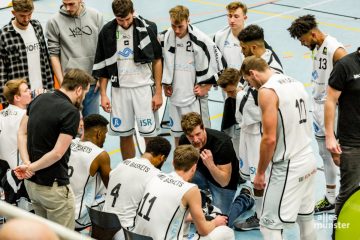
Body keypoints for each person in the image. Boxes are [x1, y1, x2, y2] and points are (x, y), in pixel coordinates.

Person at [241, 56, 317, 240]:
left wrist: (259, 173)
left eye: (248, 81)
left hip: (288, 166)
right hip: (308, 158)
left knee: (268, 225)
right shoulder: (295, 83)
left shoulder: (267, 91)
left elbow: (269, 139)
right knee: (306, 219)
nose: (251, 86)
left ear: (253, 73)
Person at [14, 68, 91, 229]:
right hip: (53, 188)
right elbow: (57, 153)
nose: (83, 97)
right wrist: (31, 167)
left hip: (32, 185)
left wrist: (27, 164)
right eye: (84, 93)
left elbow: (22, 132)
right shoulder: (71, 112)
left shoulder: (39, 99)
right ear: (78, 89)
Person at [288, 14, 347, 214]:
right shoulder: (316, 46)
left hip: (333, 110)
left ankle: (349, 195)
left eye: (303, 40)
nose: (303, 44)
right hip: (317, 108)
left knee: (341, 156)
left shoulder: (336, 50)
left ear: (313, 34)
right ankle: (331, 198)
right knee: (325, 155)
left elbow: (351, 80)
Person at [93, 0, 163, 161]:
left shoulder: (148, 27)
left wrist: (158, 91)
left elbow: (157, 60)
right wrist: (104, 94)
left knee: (150, 134)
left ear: (133, 12)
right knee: (124, 134)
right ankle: (129, 168)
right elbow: (103, 66)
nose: (125, 23)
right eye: (120, 20)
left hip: (143, 88)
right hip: (120, 90)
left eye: (128, 19)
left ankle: (151, 170)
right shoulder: (107, 31)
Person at [234, 24, 283, 230]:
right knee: (251, 173)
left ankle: (262, 215)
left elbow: (263, 103)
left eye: (243, 47)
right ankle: (260, 210)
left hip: (259, 130)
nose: (241, 51)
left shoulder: (273, 69)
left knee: (260, 175)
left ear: (253, 48)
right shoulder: (256, 62)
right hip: (248, 128)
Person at [133, 144, 235, 240]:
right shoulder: (190, 189)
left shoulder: (156, 177)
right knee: (226, 232)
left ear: (173, 163)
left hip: (134, 237)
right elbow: (203, 230)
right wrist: (215, 222)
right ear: (194, 167)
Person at [159, 5, 225, 146]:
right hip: (175, 97)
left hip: (195, 99)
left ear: (188, 21)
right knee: (178, 137)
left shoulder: (201, 40)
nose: (176, 30)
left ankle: (202, 167)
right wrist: (165, 83)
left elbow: (220, 63)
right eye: (173, 26)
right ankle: (181, 166)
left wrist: (207, 86)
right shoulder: (165, 37)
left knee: (200, 137)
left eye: (180, 26)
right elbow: (159, 62)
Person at [103, 136, 171, 236]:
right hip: (125, 231)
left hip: (102, 224)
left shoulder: (124, 162)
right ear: (162, 158)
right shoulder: (155, 174)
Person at [46, 0, 103, 117]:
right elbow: (54, 55)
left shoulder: (96, 16)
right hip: (70, 86)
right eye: (65, 3)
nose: (67, 8)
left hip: (92, 83)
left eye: (71, 4)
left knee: (92, 125)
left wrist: (101, 75)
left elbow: (103, 48)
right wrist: (63, 84)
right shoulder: (54, 21)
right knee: (71, 126)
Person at [325, 47, 360, 235]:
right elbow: (330, 100)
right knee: (349, 192)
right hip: (352, 142)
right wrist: (330, 137)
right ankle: (339, 233)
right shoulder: (345, 65)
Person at [179, 112, 239, 215]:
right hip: (202, 174)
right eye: (191, 136)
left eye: (198, 134)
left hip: (223, 183)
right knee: (182, 181)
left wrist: (210, 164)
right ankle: (202, 197)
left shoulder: (222, 143)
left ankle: (244, 199)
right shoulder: (184, 140)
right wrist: (194, 155)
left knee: (221, 218)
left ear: (203, 128)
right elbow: (180, 171)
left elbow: (224, 181)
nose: (195, 140)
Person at [0, 0, 53, 110]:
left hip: (42, 94)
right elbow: (1, 71)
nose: (27, 19)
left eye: (29, 14)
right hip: (20, 100)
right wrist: (5, 101)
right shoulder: (4, 34)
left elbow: (45, 61)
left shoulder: (37, 27)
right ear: (13, 13)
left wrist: (50, 89)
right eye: (22, 15)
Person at [213, 1, 247, 161]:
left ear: (244, 17)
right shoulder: (220, 36)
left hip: (245, 90)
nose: (232, 20)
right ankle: (234, 161)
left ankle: (245, 165)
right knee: (231, 127)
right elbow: (216, 61)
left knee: (244, 127)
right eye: (229, 16)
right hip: (228, 90)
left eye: (236, 16)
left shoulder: (250, 37)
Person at [68, 114, 111, 229]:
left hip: (61, 210)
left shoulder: (69, 143)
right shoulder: (100, 154)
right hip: (78, 217)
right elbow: (111, 186)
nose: (105, 138)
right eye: (105, 134)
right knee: (116, 199)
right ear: (99, 134)